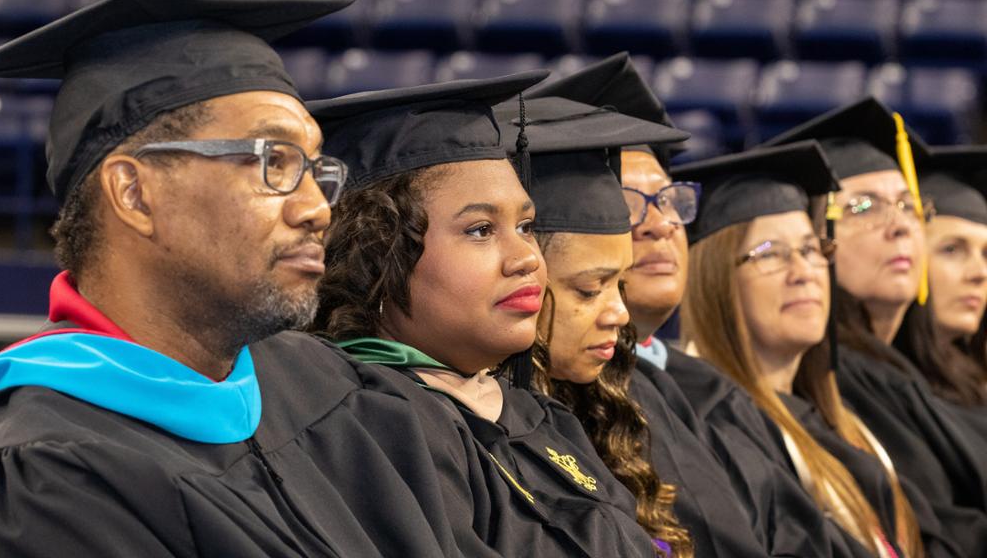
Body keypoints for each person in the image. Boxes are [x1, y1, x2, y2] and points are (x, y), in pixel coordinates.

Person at [0, 0, 492, 557]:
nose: (317, 206)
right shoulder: (47, 475)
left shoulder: (333, 386)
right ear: (135, 193)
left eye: (316, 169)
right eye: (274, 161)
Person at [308, 76, 666, 557]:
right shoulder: (368, 428)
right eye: (480, 230)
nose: (527, 259)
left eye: (525, 226)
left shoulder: (538, 415)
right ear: (376, 253)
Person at [531, 53, 867, 558]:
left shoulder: (699, 390)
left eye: (669, 200)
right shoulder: (541, 411)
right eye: (624, 206)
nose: (659, 223)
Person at [677, 143, 937, 558]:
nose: (803, 273)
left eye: (811, 250)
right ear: (717, 280)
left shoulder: (842, 422)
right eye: (771, 254)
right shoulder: (716, 432)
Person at [761, 98, 987, 556]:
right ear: (815, 238)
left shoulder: (900, 371)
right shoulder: (835, 378)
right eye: (863, 207)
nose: (900, 226)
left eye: (908, 205)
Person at [491, 91, 695, 557]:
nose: (620, 314)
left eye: (619, 285)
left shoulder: (609, 407)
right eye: (589, 289)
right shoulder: (480, 433)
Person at [895, 146, 987, 414]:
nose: (980, 273)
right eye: (952, 249)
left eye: (986, 254)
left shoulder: (974, 382)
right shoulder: (889, 391)